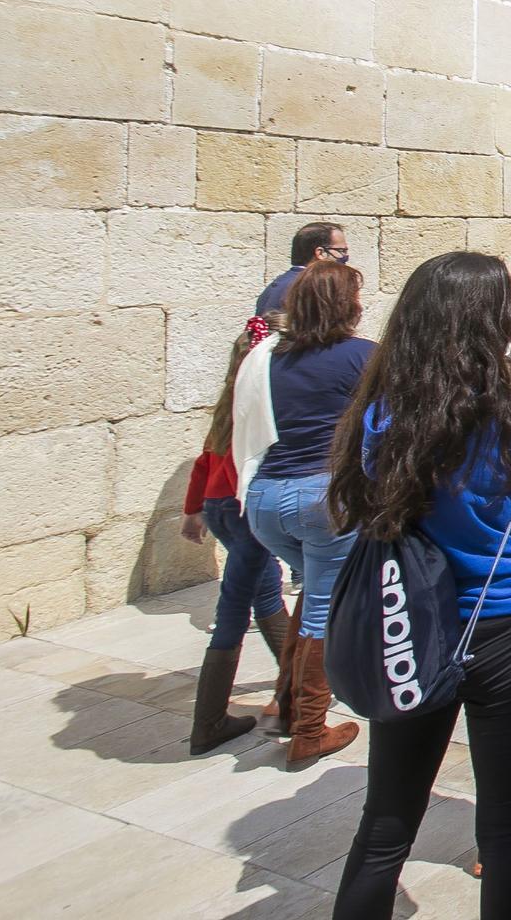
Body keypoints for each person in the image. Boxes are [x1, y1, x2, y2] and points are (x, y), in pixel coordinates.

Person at [328, 252, 511, 918]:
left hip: (410, 619)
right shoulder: (506, 417)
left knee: (386, 822)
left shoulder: (378, 415)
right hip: (509, 624)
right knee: (510, 829)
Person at [239, 258, 372, 765]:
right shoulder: (361, 357)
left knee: (314, 596)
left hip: (265, 497)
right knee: (320, 606)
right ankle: (309, 729)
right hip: (321, 497)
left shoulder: (266, 355)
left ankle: (284, 704)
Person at [180, 320, 291, 754]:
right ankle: (208, 721)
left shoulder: (227, 403)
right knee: (232, 611)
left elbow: (204, 462)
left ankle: (299, 683)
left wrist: (194, 510)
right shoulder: (259, 404)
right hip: (244, 512)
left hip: (219, 508)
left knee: (264, 594)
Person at [255, 221, 348, 320]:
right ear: (320, 253)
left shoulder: (282, 282)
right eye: (341, 251)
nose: (345, 257)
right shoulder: (313, 287)